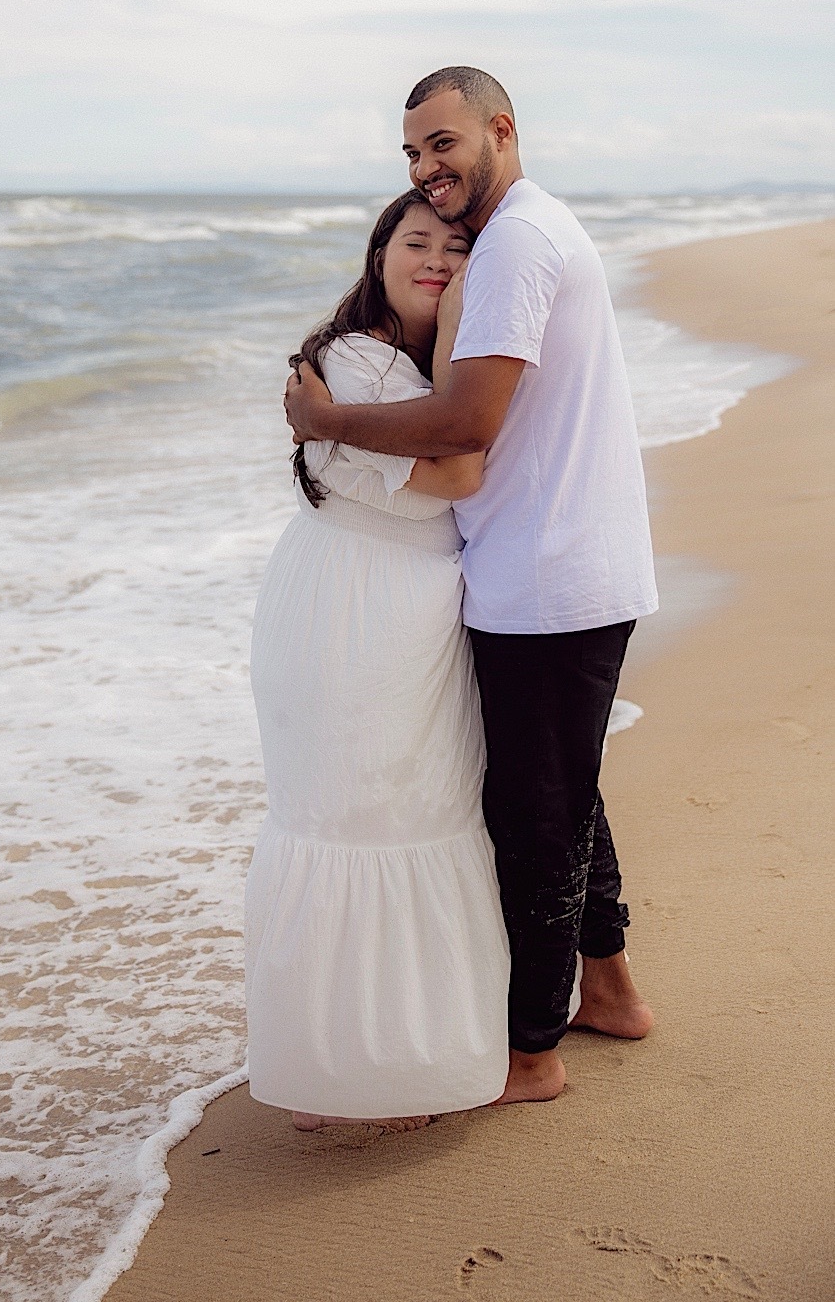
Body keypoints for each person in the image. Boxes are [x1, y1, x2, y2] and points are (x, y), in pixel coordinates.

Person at [285, 67, 657, 1105]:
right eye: (409, 155)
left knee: (533, 816)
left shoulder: (513, 245)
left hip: (545, 574)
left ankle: (528, 1055)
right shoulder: (527, 232)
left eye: (441, 143)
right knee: (561, 791)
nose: (425, 168)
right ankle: (609, 991)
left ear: (500, 128)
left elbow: (463, 426)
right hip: (557, 565)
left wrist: (328, 422)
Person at [245, 190, 512, 1131]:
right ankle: (339, 1072)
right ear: (377, 254)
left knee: (413, 811)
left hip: (405, 610)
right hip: (351, 612)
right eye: (416, 243)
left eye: (457, 249)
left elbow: (451, 447)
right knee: (356, 816)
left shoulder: (412, 365)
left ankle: (401, 1060)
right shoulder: (353, 361)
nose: (436, 260)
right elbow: (456, 474)